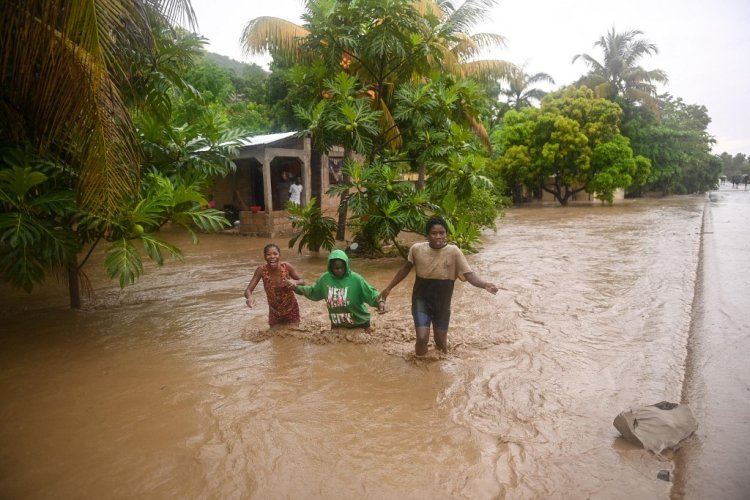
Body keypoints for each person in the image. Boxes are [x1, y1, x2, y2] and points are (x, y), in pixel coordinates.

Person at [379, 216, 501, 355]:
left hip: (442, 304)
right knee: (422, 338)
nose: (438, 237)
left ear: (446, 234)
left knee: (441, 342)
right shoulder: (417, 249)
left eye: (441, 233)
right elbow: (405, 269)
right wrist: (388, 288)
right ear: (427, 235)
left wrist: (485, 285)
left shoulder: (454, 252)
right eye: (434, 233)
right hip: (421, 300)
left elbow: (469, 275)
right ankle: (420, 371)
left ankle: (440, 371)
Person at [289, 249, 382, 333]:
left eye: (342, 267)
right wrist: (296, 288)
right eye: (336, 268)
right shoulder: (324, 279)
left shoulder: (356, 279)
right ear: (330, 267)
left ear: (346, 265)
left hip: (360, 324)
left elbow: (371, 293)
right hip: (337, 325)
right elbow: (312, 291)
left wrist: (380, 303)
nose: (339, 270)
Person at [245, 243, 304, 326]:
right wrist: (250, 297)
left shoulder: (286, 267)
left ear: (279, 255)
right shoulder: (261, 270)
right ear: (265, 257)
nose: (272, 256)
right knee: (274, 337)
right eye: (268, 254)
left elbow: (302, 281)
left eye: (275, 254)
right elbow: (248, 290)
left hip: (291, 309)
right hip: (274, 312)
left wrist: (295, 282)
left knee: (294, 334)